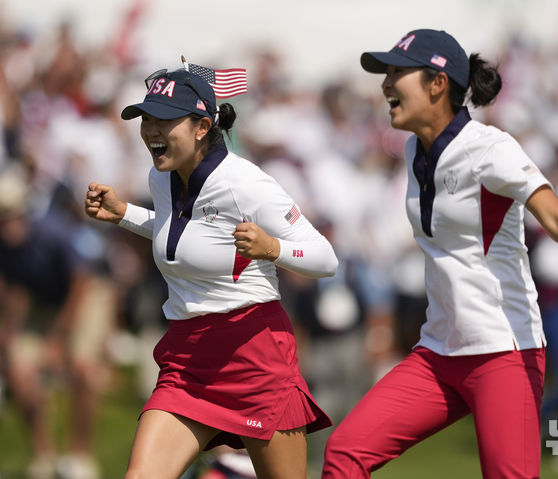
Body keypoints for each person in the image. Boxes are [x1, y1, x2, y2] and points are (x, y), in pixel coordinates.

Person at [322, 29, 558, 479]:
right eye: (385, 74)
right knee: (345, 453)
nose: (386, 84)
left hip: (503, 351)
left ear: (437, 84)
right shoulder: (414, 148)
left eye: (397, 73)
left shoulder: (489, 147)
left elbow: (557, 216)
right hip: (438, 351)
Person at [84, 66, 338, 479]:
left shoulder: (246, 183)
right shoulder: (161, 176)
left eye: (164, 120)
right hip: (186, 360)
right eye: (146, 119)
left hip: (254, 356)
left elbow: (325, 259)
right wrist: (124, 214)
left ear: (203, 127)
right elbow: (185, 239)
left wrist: (271, 248)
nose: (151, 131)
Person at [0, 164, 111, 479]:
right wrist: (7, 334)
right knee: (19, 369)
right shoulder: (4, 243)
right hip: (43, 304)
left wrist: (58, 339)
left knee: (83, 368)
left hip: (85, 298)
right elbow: (14, 290)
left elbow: (82, 281)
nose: (7, 223)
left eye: (11, 214)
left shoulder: (54, 231)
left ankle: (80, 456)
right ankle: (44, 454)